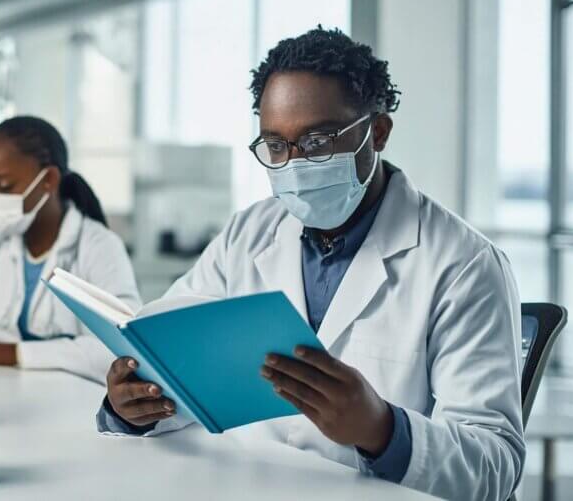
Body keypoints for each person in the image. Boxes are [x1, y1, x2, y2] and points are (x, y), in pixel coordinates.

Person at [97, 27, 524, 501]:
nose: (295, 165)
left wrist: (382, 430)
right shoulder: (248, 234)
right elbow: (177, 363)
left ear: (376, 132)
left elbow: (496, 465)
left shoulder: (463, 265)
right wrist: (135, 404)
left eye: (318, 142)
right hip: (244, 485)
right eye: (275, 146)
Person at [0, 116, 140, 383]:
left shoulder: (99, 247)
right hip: (15, 398)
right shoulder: (3, 252)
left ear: (49, 180)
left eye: (3, 186)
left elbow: (122, 352)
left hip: (75, 408)